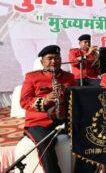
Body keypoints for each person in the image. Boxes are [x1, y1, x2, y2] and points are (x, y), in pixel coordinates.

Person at [20, 45, 76, 173]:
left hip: (64, 120)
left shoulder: (69, 77)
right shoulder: (32, 77)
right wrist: (44, 100)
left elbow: (77, 101)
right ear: (42, 62)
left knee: (88, 137)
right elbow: (24, 101)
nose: (54, 61)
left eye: (57, 58)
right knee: (45, 144)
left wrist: (66, 91)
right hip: (39, 122)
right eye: (49, 58)